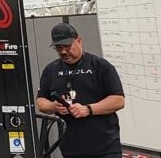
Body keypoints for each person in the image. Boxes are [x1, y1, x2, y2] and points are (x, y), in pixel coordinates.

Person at [35, 23, 126, 158]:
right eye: (59, 48)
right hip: (71, 147)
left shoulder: (100, 66)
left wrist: (88, 109)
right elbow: (41, 101)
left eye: (67, 46)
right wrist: (54, 106)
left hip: (105, 148)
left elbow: (118, 101)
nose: (63, 52)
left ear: (79, 41)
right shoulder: (51, 70)